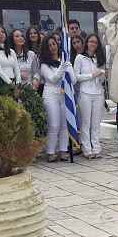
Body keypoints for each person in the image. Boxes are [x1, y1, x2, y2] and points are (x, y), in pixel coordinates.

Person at [39, 34, 76, 163]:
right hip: (51, 95)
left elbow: (74, 80)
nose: (52, 47)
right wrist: (61, 68)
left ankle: (63, 152)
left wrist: (69, 68)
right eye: (49, 45)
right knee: (54, 125)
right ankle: (50, 153)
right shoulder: (44, 65)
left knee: (64, 125)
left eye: (54, 44)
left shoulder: (64, 60)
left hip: (64, 95)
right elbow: (52, 79)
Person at [74, 33, 106, 159]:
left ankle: (96, 148)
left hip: (98, 92)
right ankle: (87, 149)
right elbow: (77, 76)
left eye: (95, 42)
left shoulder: (99, 58)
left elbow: (103, 79)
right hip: (85, 92)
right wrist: (91, 76)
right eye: (91, 41)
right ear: (87, 42)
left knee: (96, 123)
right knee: (86, 122)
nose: (93, 44)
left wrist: (101, 74)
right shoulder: (80, 58)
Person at [0, 24, 20, 90]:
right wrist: (11, 84)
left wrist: (18, 85)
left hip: (13, 82)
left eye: (3, 32)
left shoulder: (11, 51)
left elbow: (17, 71)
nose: (1, 34)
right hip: (0, 82)